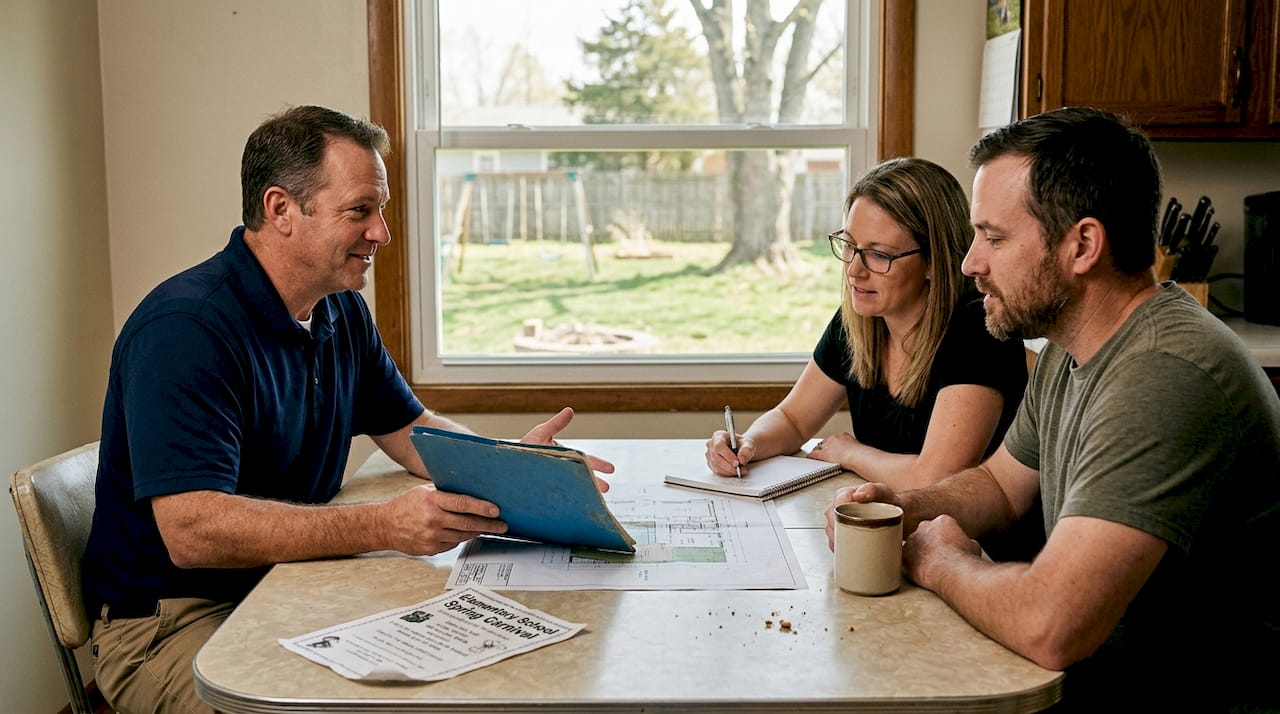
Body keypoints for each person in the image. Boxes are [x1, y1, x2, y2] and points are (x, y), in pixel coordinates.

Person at [81, 105, 611, 714]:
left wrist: (515, 470)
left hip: (282, 582)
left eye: (379, 210)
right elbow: (192, 532)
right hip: (170, 624)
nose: (382, 232)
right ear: (282, 210)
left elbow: (411, 429)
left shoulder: (339, 308)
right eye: (360, 211)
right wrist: (383, 526)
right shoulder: (186, 331)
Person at [826, 107, 1280, 710]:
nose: (970, 264)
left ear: (1082, 245)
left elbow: (1051, 624)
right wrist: (904, 508)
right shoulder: (1072, 347)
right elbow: (999, 485)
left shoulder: (1164, 372)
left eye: (994, 237)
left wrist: (938, 561)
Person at [706, 158, 1033, 556]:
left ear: (933, 260)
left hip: (985, 556)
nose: (855, 271)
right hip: (898, 541)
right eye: (850, 246)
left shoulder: (974, 329)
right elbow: (793, 418)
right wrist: (748, 443)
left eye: (879, 255)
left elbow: (936, 477)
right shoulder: (861, 320)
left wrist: (849, 452)